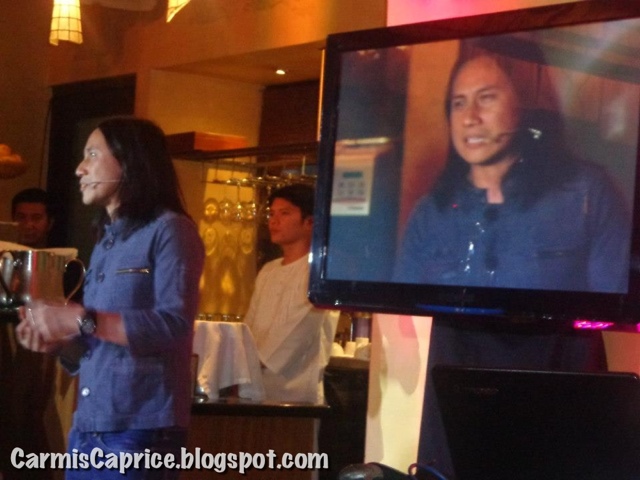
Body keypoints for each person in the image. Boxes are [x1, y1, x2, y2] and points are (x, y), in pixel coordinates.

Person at [393, 44, 629, 477]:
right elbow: (403, 296)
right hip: (457, 412)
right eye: (458, 103)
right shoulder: (431, 211)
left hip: (559, 407)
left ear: (523, 106)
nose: (470, 118)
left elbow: (609, 299)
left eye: (486, 98)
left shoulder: (588, 193)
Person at [14, 116, 204, 480]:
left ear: (129, 161)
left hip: (141, 430)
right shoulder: (106, 239)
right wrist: (58, 342)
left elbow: (175, 325)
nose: (79, 168)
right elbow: (97, 343)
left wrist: (79, 319)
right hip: (89, 426)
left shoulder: (171, 229)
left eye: (92, 154)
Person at [244, 184, 338, 404]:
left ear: (310, 222)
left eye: (284, 213)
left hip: (295, 394)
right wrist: (239, 362)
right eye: (272, 214)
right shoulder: (269, 270)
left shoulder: (320, 272)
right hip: (250, 386)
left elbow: (298, 330)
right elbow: (249, 325)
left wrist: (251, 364)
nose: (274, 221)